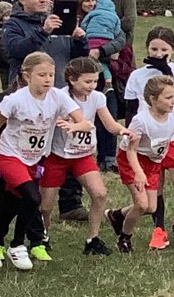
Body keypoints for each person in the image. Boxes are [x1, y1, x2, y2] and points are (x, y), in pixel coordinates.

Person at [0, 52, 63, 268]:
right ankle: (17, 245)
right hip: (8, 155)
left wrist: (78, 125)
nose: (47, 79)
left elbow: (81, 119)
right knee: (32, 197)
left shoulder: (57, 96)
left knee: (14, 203)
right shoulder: (14, 100)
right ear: (27, 76)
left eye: (51, 75)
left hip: (32, 158)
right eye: (42, 74)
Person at [38, 58, 124, 256]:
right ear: (71, 80)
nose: (92, 86)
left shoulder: (97, 98)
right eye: (87, 82)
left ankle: (92, 240)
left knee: (100, 194)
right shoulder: (58, 96)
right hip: (57, 156)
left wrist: (125, 131)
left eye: (95, 81)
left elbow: (110, 124)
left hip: (83, 155)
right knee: (46, 204)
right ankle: (42, 237)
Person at [114, 74, 174, 252]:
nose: (173, 101)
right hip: (133, 160)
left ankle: (117, 215)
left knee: (151, 206)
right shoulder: (141, 121)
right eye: (168, 98)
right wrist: (138, 172)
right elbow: (130, 150)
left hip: (153, 160)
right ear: (153, 99)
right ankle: (124, 237)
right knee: (142, 204)